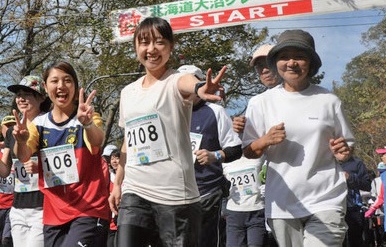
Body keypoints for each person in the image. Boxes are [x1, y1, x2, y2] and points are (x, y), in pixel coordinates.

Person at [108, 17, 227, 247]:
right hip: (135, 192)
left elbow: (189, 83)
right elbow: (127, 144)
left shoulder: (175, 80)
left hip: (175, 197)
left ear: (171, 47)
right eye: (144, 42)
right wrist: (117, 185)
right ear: (135, 47)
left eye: (159, 42)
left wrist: (200, 88)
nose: (151, 49)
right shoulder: (127, 92)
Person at [242, 29, 355, 247]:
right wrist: (265, 140)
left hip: (326, 198)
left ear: (310, 63)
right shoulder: (260, 103)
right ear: (276, 63)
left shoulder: (329, 101)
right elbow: (248, 151)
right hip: (282, 203)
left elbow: (346, 148)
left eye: (300, 57)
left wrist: (344, 153)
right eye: (284, 57)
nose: (291, 63)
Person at [13, 61, 110, 247]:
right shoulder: (39, 124)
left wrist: (87, 124)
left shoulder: (87, 117)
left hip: (88, 210)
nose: (61, 86)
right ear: (45, 86)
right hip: (54, 214)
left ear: (75, 85)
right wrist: (20, 141)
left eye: (67, 80)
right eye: (54, 81)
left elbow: (97, 142)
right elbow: (23, 156)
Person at [177, 64, 242, 247]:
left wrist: (214, 156)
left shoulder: (215, 112)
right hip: (173, 194)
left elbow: (236, 149)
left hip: (206, 193)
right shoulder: (169, 112)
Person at [225, 44, 280, 247]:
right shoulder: (257, 103)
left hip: (312, 193)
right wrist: (240, 129)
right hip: (277, 196)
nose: (264, 70)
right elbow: (250, 148)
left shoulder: (312, 96)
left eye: (268, 64)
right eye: (259, 68)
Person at [0, 75, 50, 247]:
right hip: (18, 207)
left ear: (42, 97)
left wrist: (41, 166)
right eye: (18, 94)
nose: (21, 98)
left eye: (27, 94)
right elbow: (5, 170)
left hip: (43, 206)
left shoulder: (49, 125)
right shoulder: (11, 131)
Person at [340, 146, 372, 247]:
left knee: (355, 240)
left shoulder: (357, 163)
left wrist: (350, 178)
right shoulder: (326, 162)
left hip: (352, 209)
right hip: (332, 208)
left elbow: (367, 185)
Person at [0, 115, 16, 247]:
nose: (10, 129)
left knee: (7, 241)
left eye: (13, 125)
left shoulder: (21, 150)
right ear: (1, 130)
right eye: (7, 126)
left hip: (13, 205)